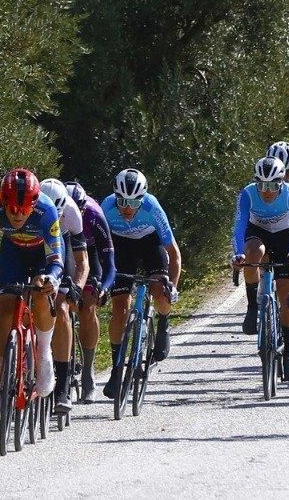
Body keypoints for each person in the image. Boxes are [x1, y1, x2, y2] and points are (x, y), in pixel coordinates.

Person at [0, 169, 62, 425]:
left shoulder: (47, 211)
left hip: (41, 258)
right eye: (11, 209)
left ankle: (44, 354)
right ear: (3, 201)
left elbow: (56, 259)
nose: (17, 215)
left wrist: (52, 278)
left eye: (23, 210)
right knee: (3, 312)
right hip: (12, 254)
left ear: (34, 204)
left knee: (41, 295)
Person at [100, 169, 182, 398]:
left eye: (134, 201)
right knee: (119, 308)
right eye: (122, 201)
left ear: (143, 198)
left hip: (150, 244)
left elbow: (174, 254)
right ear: (115, 196)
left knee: (160, 292)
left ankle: (163, 322)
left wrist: (172, 286)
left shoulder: (152, 208)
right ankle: (117, 369)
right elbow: (97, 248)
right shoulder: (106, 207)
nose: (127, 207)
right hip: (120, 246)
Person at [233, 157, 289, 380]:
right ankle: (253, 306)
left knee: (287, 296)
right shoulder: (247, 193)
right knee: (252, 255)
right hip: (258, 233)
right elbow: (239, 226)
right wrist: (238, 254)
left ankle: (288, 354)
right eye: (261, 184)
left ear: (282, 182)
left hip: (285, 238)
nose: (267, 191)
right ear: (256, 182)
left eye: (272, 185)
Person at [38, 178, 90, 416]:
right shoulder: (34, 207)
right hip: (36, 245)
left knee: (60, 308)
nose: (54, 218)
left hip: (63, 249)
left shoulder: (71, 214)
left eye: (57, 214)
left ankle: (63, 386)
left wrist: (77, 287)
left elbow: (81, 262)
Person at [66, 181, 116, 403]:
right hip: (64, 251)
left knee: (88, 304)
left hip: (90, 254)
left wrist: (103, 287)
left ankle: (88, 372)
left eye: (80, 210)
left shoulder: (95, 215)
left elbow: (110, 263)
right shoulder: (54, 211)